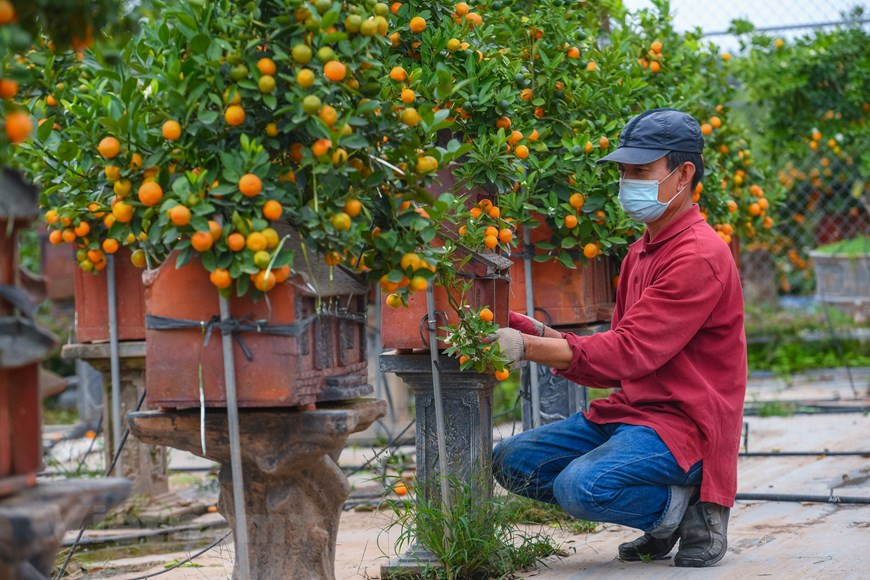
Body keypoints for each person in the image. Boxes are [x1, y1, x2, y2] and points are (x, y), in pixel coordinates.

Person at [491, 108, 746, 567]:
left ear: (683, 174)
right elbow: (622, 338)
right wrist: (523, 326)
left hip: (683, 426)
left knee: (580, 486)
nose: (628, 183)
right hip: (632, 412)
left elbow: (628, 352)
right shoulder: (642, 251)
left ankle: (685, 509)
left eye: (641, 171)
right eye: (625, 172)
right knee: (510, 461)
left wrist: (527, 348)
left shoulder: (698, 255)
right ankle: (665, 509)